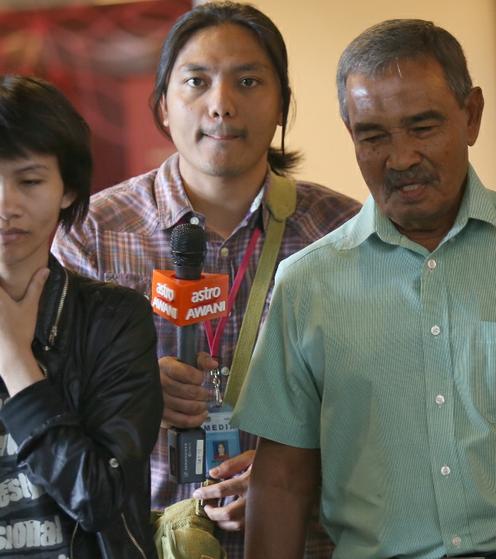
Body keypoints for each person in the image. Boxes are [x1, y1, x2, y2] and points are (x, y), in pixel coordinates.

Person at [235, 19, 496, 559]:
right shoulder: (306, 285)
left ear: (472, 115)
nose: (401, 158)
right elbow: (281, 480)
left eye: (423, 127)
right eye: (373, 136)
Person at [52, 3, 360, 558]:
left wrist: (296, 474)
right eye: (197, 81)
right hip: (141, 541)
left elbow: (381, 400)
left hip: (305, 541)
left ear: (283, 106)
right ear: (162, 106)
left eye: (249, 81)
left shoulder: (342, 232)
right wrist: (133, 390)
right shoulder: (92, 233)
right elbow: (45, 400)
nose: (221, 104)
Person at [0, 75, 161, 558]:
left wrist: (15, 361)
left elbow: (101, 501)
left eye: (30, 181)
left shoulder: (114, 321)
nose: (6, 205)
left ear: (67, 189)